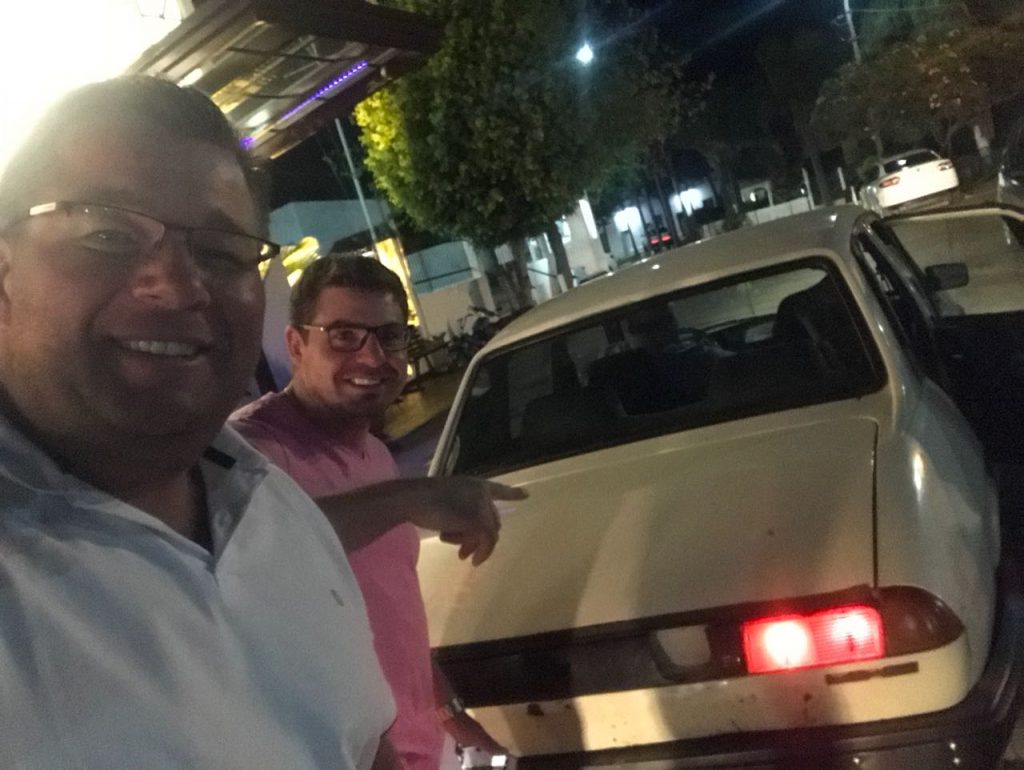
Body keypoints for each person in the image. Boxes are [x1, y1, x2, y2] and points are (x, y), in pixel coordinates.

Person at [0, 76, 409, 768]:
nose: (178, 286)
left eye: (220, 254)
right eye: (106, 234)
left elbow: (363, 743)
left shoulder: (270, 502)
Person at [231, 256, 514, 770]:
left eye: (389, 336)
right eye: (343, 336)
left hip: (423, 748)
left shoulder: (377, 455)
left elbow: (393, 617)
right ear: (296, 345)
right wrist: (408, 499)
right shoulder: (252, 451)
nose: (372, 356)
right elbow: (245, 550)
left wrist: (449, 713)